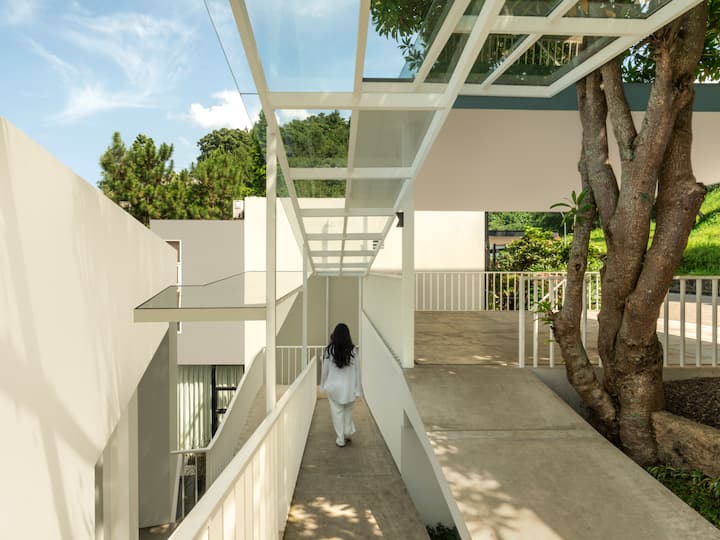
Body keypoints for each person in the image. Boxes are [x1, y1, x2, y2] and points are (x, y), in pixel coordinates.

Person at [320, 323, 362, 447]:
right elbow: (357, 371)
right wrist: (358, 389)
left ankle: (340, 439)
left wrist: (322, 385)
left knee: (337, 413)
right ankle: (347, 432)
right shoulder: (353, 350)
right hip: (349, 388)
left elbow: (325, 370)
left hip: (334, 388)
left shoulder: (329, 350)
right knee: (348, 412)